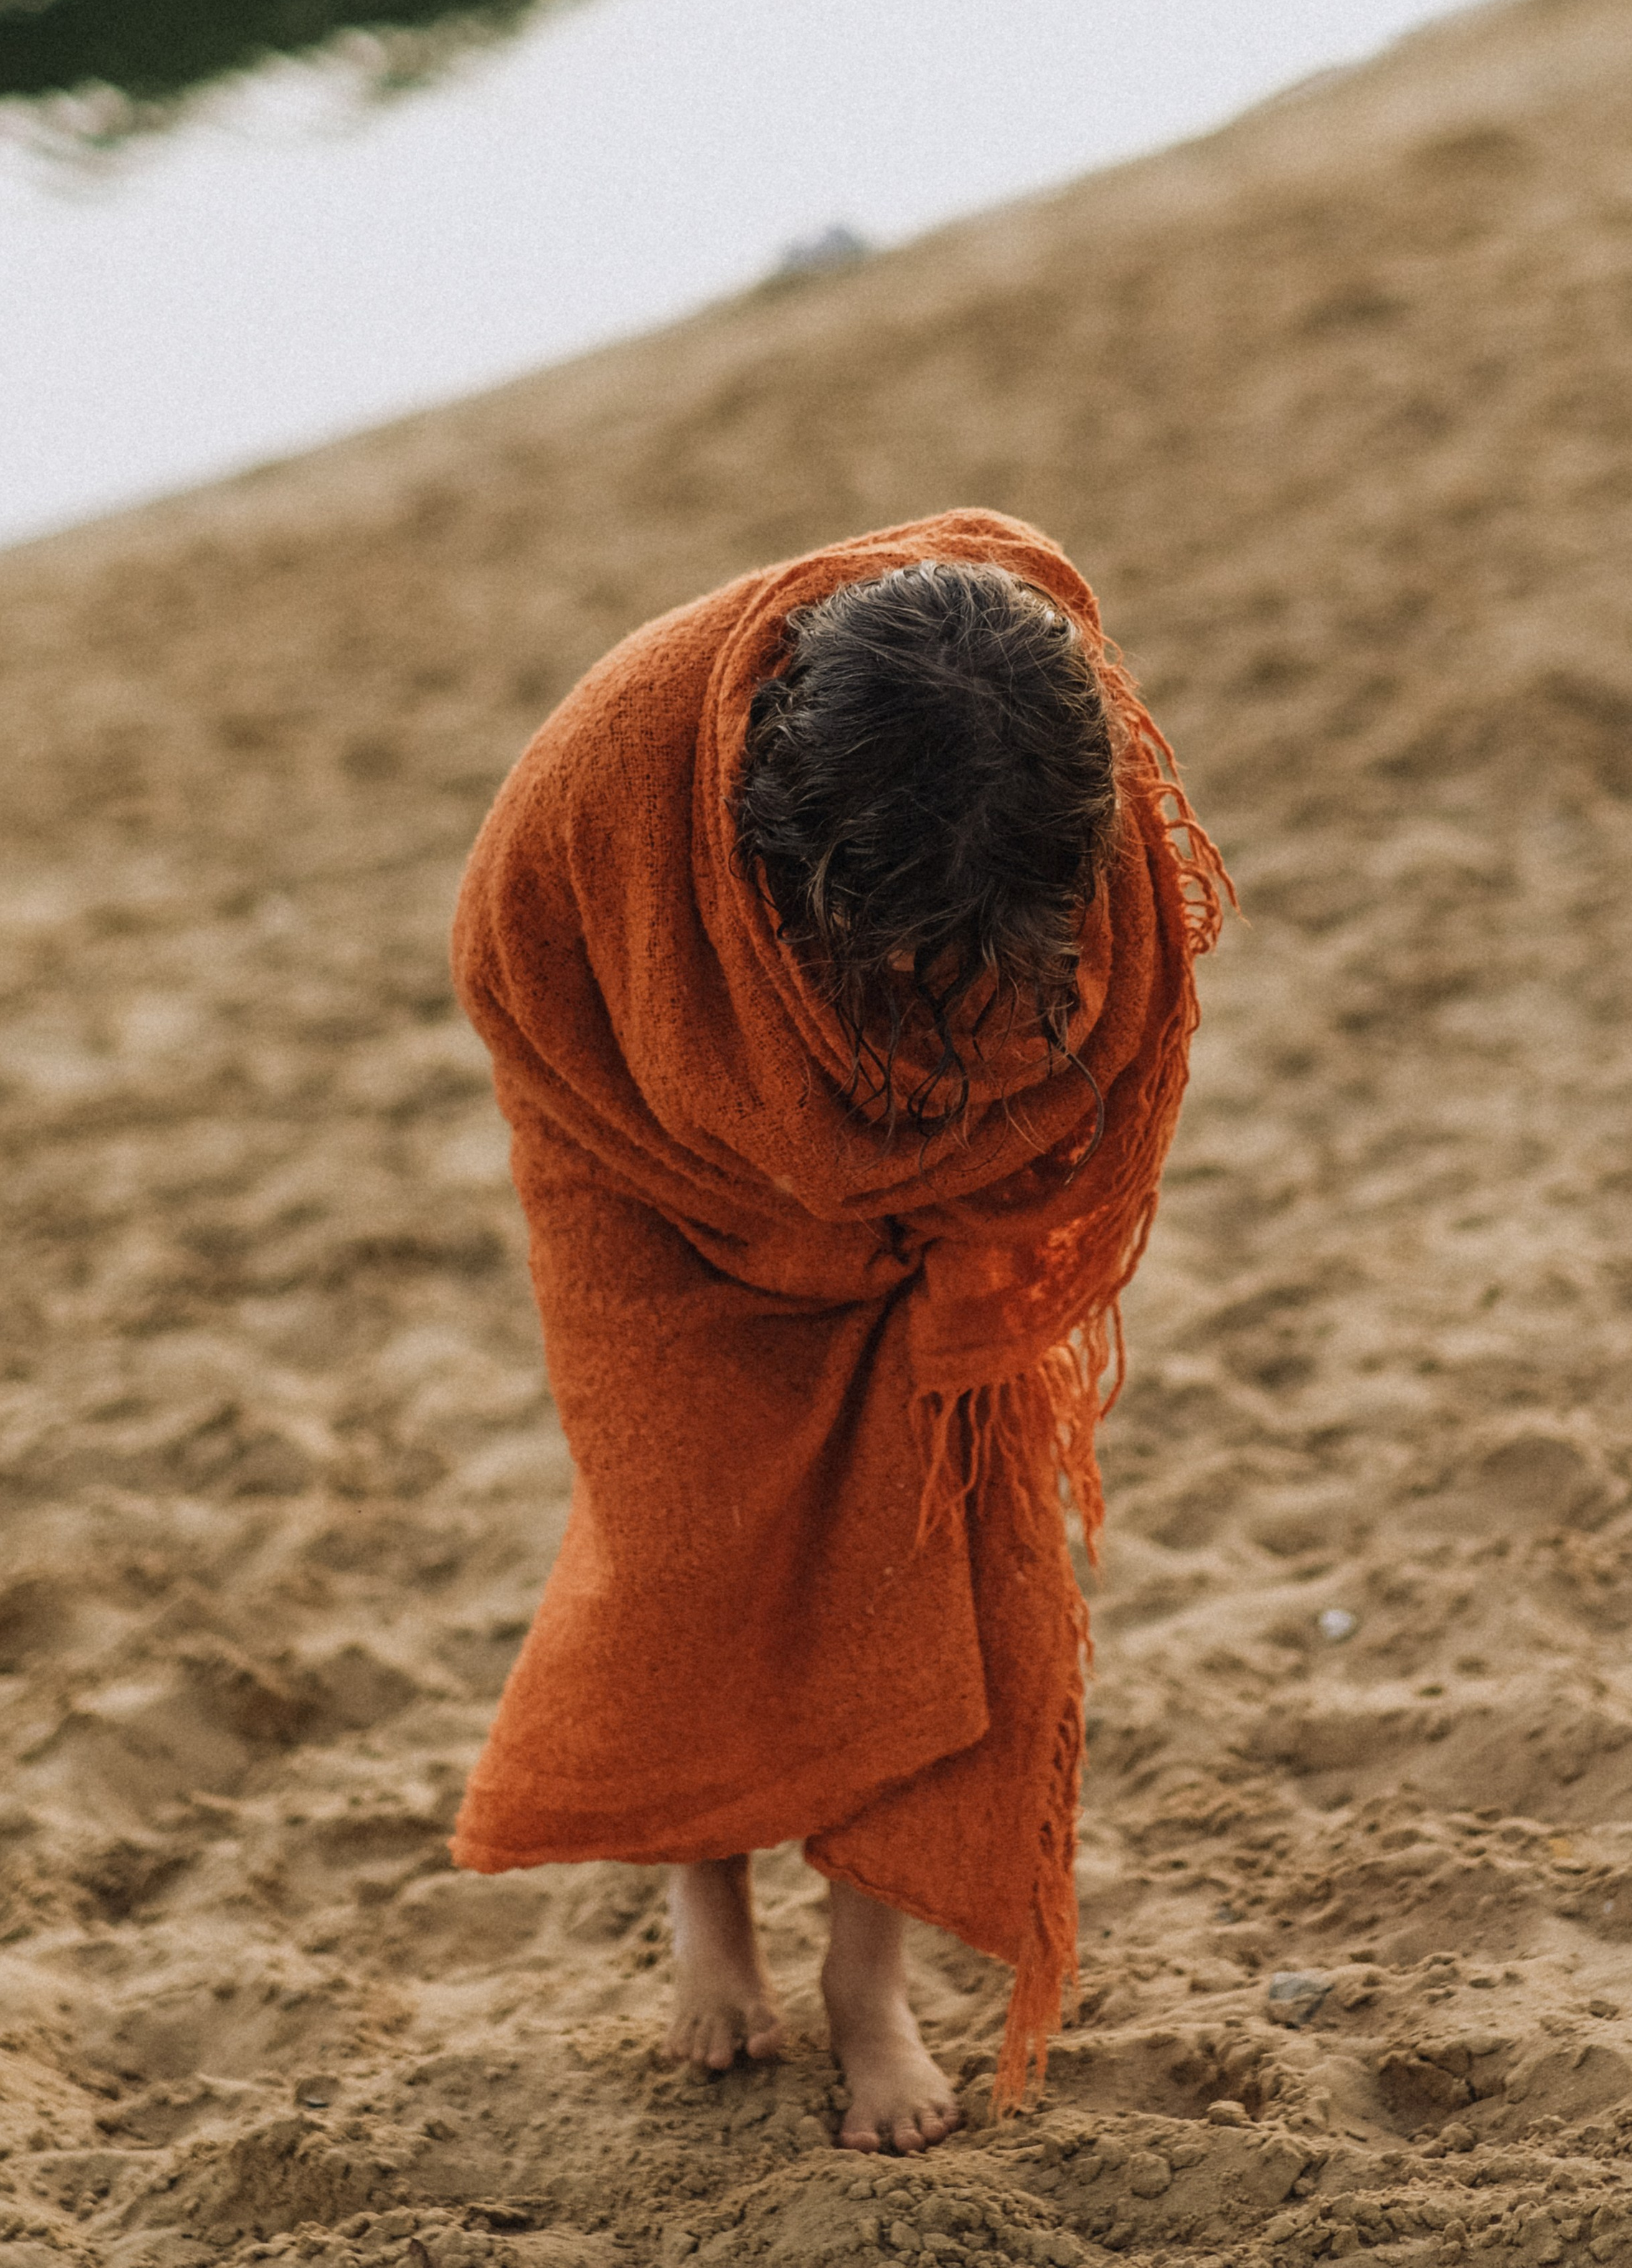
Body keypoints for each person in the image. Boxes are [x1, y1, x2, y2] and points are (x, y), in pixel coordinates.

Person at [447, 509, 1226, 2154]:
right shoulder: (609, 772)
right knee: (687, 1537)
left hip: (934, 1182)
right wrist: (772, 1168)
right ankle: (704, 1904)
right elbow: (515, 993)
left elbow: (1113, 1008)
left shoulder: (1046, 753)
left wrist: (917, 1164)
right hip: (638, 1163)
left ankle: (865, 1988)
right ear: (775, 854)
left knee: (927, 1543)